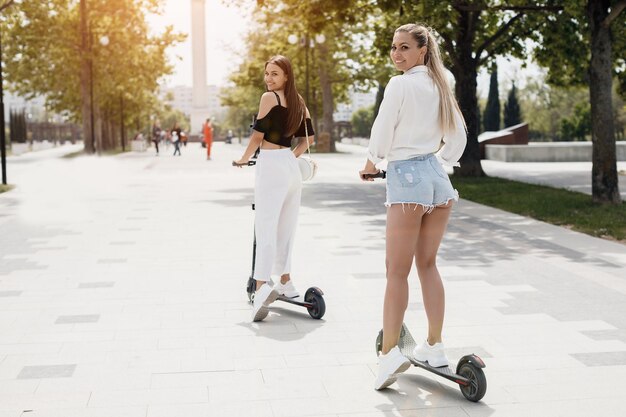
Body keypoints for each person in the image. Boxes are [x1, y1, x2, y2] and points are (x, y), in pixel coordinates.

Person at [359, 23, 467, 390]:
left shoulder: (399, 85)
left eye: (404, 47)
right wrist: (444, 160)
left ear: (422, 50)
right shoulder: (441, 85)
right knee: (427, 264)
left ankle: (389, 353)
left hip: (406, 179)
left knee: (396, 271)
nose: (397, 54)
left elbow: (383, 127)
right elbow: (458, 135)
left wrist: (372, 162)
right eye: (394, 47)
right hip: (438, 178)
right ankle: (434, 346)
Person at [233, 55, 315, 322]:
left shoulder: (269, 99)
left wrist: (244, 159)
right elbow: (308, 139)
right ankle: (286, 281)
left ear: (286, 76)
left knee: (266, 226)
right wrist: (289, 160)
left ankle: (260, 287)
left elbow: (258, 136)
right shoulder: (299, 102)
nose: (269, 79)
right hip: (290, 167)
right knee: (286, 227)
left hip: (270, 164)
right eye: (267, 73)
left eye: (275, 74)